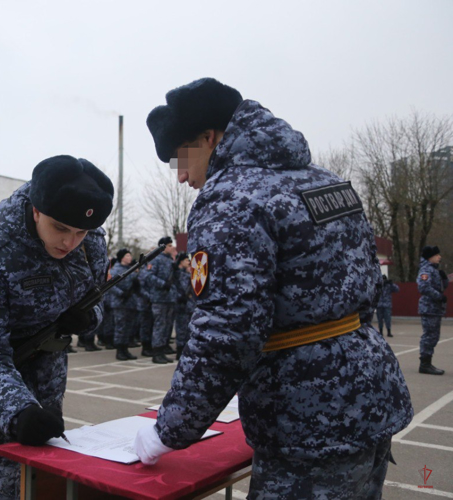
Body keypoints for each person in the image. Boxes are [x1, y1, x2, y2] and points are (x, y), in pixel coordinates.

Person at [134, 78, 413, 499]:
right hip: (372, 395)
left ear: (210, 138)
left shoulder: (231, 196)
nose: (182, 177)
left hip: (306, 418)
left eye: (180, 159)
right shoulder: (327, 181)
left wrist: (172, 428)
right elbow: (369, 285)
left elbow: (227, 331)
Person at [0, 155, 112, 499]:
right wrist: (17, 410)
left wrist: (86, 319)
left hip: (48, 362)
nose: (70, 242)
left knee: (45, 480)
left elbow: (97, 300)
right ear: (36, 210)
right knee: (3, 484)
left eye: (81, 231)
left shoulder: (91, 244)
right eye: (61, 229)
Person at [141, 236, 177, 364]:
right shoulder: (156, 259)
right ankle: (156, 352)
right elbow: (147, 275)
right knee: (159, 326)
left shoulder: (171, 261)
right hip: (159, 298)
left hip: (170, 298)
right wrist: (162, 284)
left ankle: (162, 350)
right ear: (162, 247)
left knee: (166, 326)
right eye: (169, 245)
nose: (171, 247)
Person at [417, 245, 448, 375]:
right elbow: (423, 287)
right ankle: (425, 364)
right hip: (429, 308)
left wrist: (444, 278)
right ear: (430, 257)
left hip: (434, 308)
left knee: (433, 336)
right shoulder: (426, 269)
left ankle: (427, 363)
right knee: (429, 336)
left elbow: (441, 287)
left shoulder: (434, 270)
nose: (439, 257)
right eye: (437, 255)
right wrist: (439, 296)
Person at [107, 248, 139, 361]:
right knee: (120, 327)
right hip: (120, 303)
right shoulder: (116, 270)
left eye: (130, 255)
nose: (130, 257)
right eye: (127, 255)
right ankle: (119, 351)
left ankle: (125, 349)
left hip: (130, 303)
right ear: (122, 258)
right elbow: (110, 285)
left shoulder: (131, 270)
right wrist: (121, 293)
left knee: (128, 328)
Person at [173, 253, 194, 360]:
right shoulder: (178, 275)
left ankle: (186, 349)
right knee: (181, 329)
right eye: (186, 260)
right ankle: (180, 350)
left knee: (188, 329)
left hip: (189, 305)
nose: (188, 262)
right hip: (182, 305)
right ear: (181, 262)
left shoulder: (187, 274)